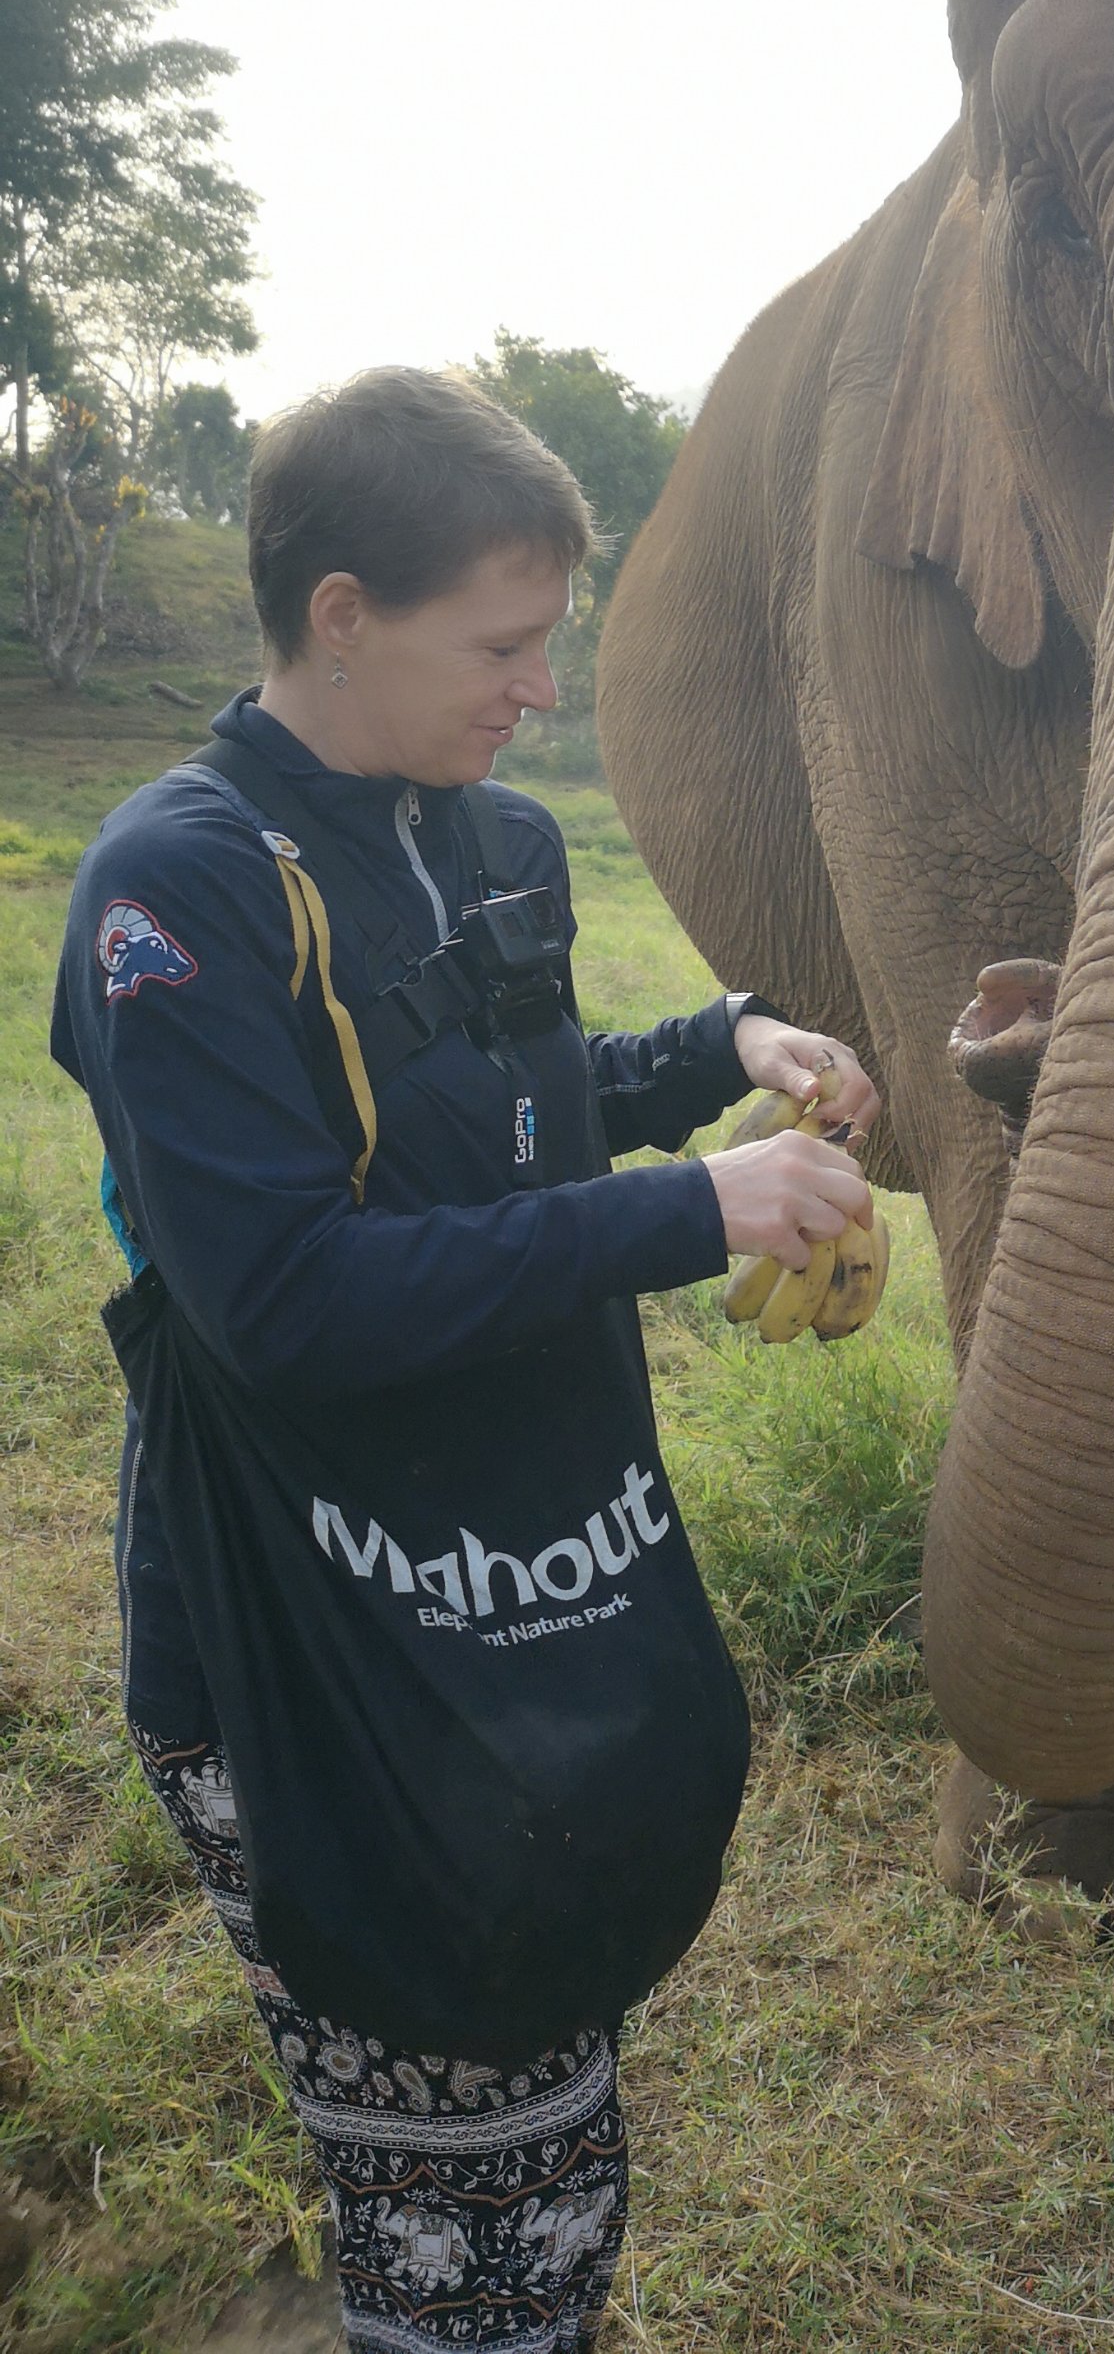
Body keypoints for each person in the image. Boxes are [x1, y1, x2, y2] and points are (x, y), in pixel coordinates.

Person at [51, 367, 879, 2352]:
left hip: (506, 1562)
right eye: (502, 647)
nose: (539, 691)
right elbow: (284, 1302)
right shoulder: (177, 889)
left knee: (532, 2073)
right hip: (307, 1624)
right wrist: (695, 1215)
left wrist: (720, 1049)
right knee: (457, 2124)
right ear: (342, 616)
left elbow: (509, 1102)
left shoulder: (494, 836)